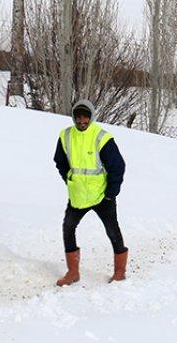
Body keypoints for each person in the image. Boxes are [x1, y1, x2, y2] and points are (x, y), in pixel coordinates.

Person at [53, 99, 128, 286]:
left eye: (85, 117)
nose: (81, 121)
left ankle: (119, 272)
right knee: (68, 227)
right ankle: (73, 272)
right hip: (78, 196)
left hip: (102, 196)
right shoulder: (66, 136)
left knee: (112, 231)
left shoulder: (101, 137)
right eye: (78, 117)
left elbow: (118, 166)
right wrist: (69, 179)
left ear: (91, 116)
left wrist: (111, 193)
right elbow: (60, 161)